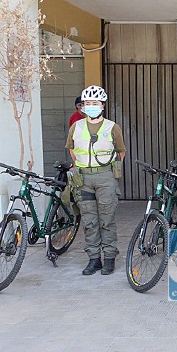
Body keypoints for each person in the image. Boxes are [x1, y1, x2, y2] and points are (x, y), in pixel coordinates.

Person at [65, 85, 125, 276]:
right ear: (82, 106)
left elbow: (121, 152)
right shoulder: (77, 126)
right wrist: (82, 165)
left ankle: (109, 258)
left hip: (105, 177)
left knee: (107, 219)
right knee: (90, 220)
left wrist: (108, 168)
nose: (91, 106)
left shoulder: (112, 127)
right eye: (88, 103)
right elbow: (72, 149)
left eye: (95, 103)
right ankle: (93, 259)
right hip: (83, 178)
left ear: (102, 105)